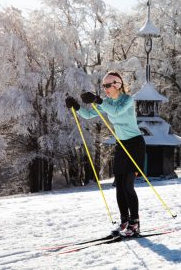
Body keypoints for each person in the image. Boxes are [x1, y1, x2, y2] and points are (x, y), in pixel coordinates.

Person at [65, 71, 146, 237]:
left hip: (135, 144)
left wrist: (98, 101)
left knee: (128, 185)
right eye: (104, 86)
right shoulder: (106, 101)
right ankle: (124, 221)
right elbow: (88, 115)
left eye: (108, 85)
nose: (106, 89)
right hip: (121, 145)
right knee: (119, 186)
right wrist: (77, 107)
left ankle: (135, 223)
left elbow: (116, 112)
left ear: (117, 84)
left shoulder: (128, 100)